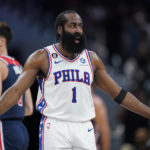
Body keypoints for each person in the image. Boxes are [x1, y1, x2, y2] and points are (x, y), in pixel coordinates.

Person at [0, 10, 150, 150]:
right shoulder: (42, 57)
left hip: (84, 126)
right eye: (73, 25)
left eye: (80, 26)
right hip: (55, 126)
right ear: (60, 29)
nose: (78, 30)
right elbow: (15, 91)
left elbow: (119, 93)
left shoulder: (92, 59)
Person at [0, 22, 33, 150]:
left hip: (4, 129)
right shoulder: (20, 66)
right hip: (21, 131)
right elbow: (29, 109)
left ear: (2, 41)